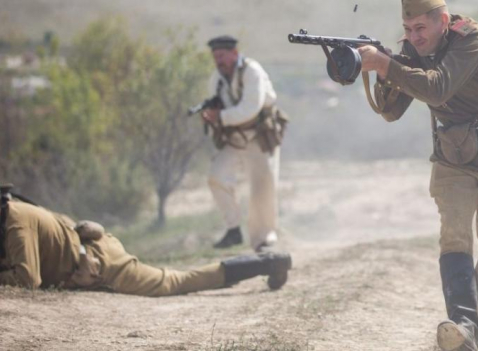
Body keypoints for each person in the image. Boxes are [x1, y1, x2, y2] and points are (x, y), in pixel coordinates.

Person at [357, 0, 478, 351]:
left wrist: (387, 64)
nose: (412, 37)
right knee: (454, 233)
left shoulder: (473, 39)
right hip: (454, 159)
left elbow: (438, 87)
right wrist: (383, 71)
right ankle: (463, 325)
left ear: (443, 21)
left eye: (420, 29)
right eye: (407, 30)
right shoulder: (413, 49)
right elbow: (392, 111)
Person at [0, 187, 292, 295]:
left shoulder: (15, 222)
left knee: (177, 282)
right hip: (93, 247)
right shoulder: (16, 213)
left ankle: (268, 262)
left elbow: (28, 280)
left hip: (103, 262)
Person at [201, 36, 287, 252]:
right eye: (215, 56)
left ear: (234, 53)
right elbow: (216, 106)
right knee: (216, 176)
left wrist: (219, 116)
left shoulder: (252, 71)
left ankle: (264, 239)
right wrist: (211, 117)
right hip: (236, 137)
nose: (218, 60)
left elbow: (251, 108)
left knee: (263, 187)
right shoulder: (217, 79)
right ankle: (233, 228)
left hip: (260, 136)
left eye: (222, 55)